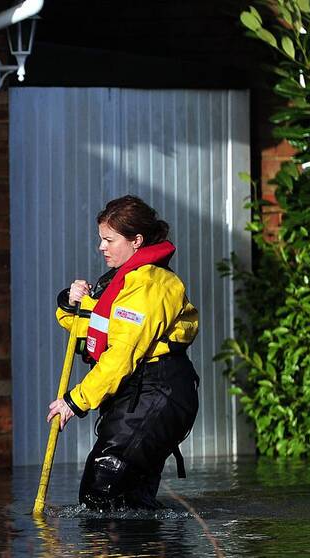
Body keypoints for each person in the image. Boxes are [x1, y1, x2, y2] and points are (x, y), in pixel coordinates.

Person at [45, 195, 199, 510]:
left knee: (102, 486)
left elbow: (121, 355)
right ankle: (148, 557)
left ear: (136, 241)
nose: (101, 247)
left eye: (108, 240)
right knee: (126, 496)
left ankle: (116, 556)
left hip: (160, 391)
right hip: (136, 392)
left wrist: (75, 402)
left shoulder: (151, 286)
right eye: (101, 239)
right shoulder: (118, 281)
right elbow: (86, 328)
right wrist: (71, 302)